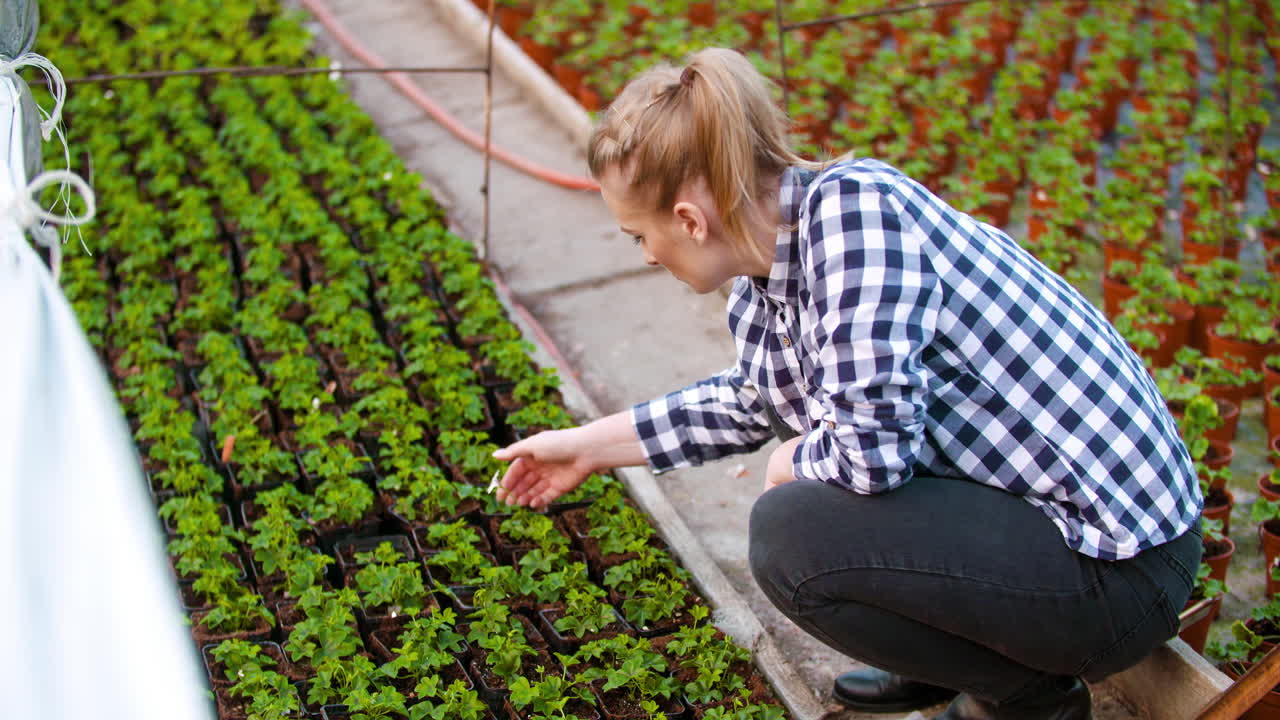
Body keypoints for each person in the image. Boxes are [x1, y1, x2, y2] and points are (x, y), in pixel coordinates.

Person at [491, 47, 1203, 720]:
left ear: (688, 219)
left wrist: (786, 461)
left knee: (792, 534)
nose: (645, 255)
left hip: (1120, 567)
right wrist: (584, 447)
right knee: (808, 505)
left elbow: (871, 457)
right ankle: (957, 657)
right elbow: (745, 402)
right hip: (1046, 527)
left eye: (638, 236)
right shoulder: (766, 274)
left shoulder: (856, 226)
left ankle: (1026, 697)